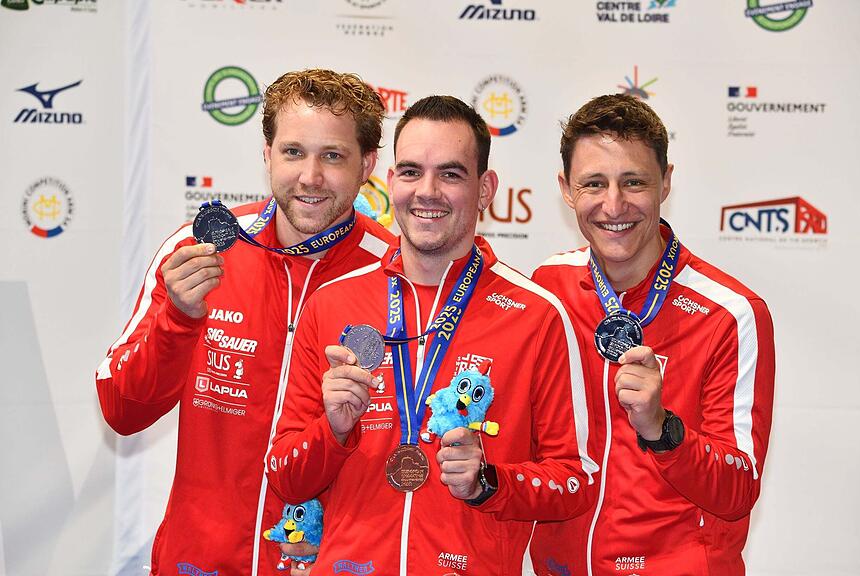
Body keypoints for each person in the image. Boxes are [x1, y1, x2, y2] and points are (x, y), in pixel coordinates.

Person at [265, 95, 600, 575]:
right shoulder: (331, 304)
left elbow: (576, 482)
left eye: (450, 174)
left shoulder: (537, 316)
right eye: (410, 172)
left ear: (485, 189)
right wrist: (333, 431)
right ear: (390, 181)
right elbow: (284, 476)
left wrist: (489, 482)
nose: (427, 191)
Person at [95, 69, 395, 576]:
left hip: (332, 563)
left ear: (366, 164)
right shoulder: (200, 251)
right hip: (200, 561)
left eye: (333, 156)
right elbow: (122, 410)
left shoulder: (395, 273)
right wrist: (179, 320)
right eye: (293, 151)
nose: (310, 176)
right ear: (267, 153)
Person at [529, 94, 775, 576]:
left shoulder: (730, 313)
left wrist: (663, 429)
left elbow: (739, 489)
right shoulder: (548, 285)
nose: (613, 204)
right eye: (594, 183)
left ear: (666, 181)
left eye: (634, 182)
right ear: (565, 189)